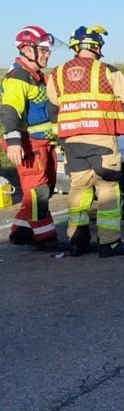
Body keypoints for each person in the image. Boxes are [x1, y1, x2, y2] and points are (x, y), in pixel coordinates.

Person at [45, 25, 124, 257]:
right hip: (102, 139)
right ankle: (110, 243)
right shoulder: (108, 71)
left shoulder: (56, 74)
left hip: (72, 143)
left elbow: (51, 111)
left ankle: (77, 241)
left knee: (79, 189)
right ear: (97, 47)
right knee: (107, 189)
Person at [2, 26, 68, 251]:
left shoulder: (36, 76)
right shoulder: (18, 77)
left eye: (48, 50)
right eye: (43, 50)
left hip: (43, 143)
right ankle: (46, 238)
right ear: (27, 50)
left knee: (45, 189)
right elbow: (10, 110)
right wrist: (13, 142)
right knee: (37, 193)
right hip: (28, 144)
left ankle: (21, 231)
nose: (47, 54)